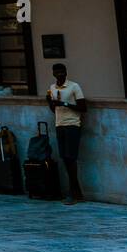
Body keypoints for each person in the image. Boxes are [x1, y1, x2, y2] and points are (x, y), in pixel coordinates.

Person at [46, 63, 87, 204]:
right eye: (57, 72)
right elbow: (53, 109)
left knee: (71, 158)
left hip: (72, 125)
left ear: (66, 72)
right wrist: (51, 103)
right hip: (59, 124)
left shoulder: (74, 86)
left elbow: (83, 107)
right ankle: (77, 192)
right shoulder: (52, 88)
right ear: (53, 73)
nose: (60, 74)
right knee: (64, 157)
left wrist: (65, 104)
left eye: (62, 72)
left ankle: (73, 192)